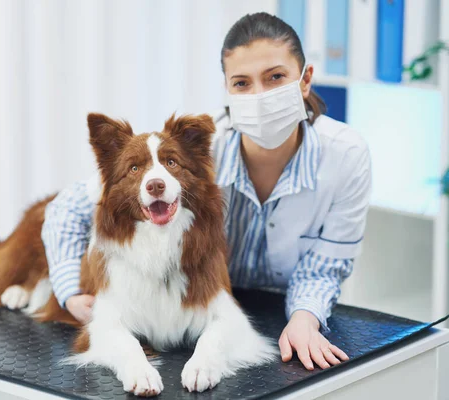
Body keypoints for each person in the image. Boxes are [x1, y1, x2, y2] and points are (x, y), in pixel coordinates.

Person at [41, 12, 371, 371]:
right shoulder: (191, 150)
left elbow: (325, 266)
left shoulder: (346, 155)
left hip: (277, 308)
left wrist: (305, 319)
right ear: (228, 89)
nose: (259, 96)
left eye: (276, 77)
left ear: (305, 80)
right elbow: (66, 210)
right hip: (206, 298)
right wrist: (70, 292)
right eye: (242, 83)